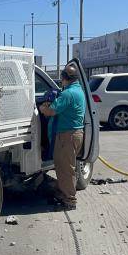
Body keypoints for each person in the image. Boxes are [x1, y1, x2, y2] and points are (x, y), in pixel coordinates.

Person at [40, 65, 85, 211]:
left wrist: (42, 108)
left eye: (62, 79)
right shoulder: (78, 91)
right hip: (75, 134)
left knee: (66, 169)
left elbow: (51, 111)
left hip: (67, 136)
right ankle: (63, 193)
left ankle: (69, 201)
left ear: (65, 78)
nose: (61, 82)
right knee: (66, 167)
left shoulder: (68, 94)